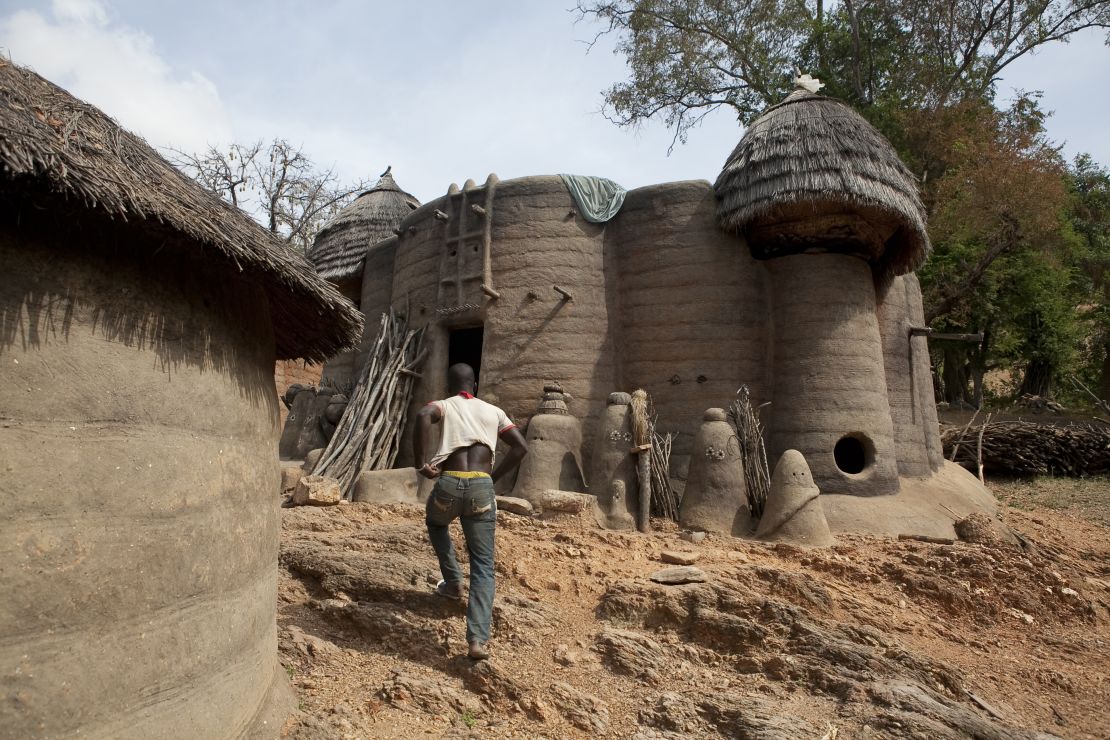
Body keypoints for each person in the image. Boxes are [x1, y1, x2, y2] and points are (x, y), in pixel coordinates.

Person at [413, 363, 528, 660]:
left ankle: (452, 583)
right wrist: (494, 476)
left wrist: (422, 463)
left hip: (449, 484)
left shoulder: (443, 405)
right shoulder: (494, 411)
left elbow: (424, 415)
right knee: (483, 565)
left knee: (436, 523)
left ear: (450, 386)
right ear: (474, 385)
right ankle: (477, 640)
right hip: (481, 487)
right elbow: (520, 447)